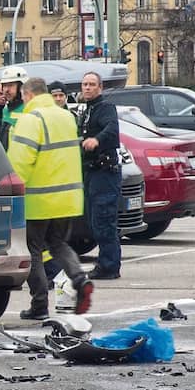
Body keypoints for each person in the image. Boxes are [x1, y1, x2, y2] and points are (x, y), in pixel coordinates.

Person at [6, 76, 94, 320]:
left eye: (23, 97)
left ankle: (39, 305)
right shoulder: (66, 116)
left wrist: (11, 190)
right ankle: (79, 278)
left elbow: (20, 162)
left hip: (38, 199)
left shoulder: (30, 120)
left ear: (29, 95)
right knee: (58, 244)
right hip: (68, 197)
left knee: (32, 249)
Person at [78, 72, 122, 280]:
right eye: (85, 84)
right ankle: (105, 263)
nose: (87, 88)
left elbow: (112, 130)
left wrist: (96, 140)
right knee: (95, 221)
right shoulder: (87, 110)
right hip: (91, 172)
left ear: (100, 87)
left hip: (105, 172)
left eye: (92, 84)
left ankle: (109, 266)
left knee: (104, 220)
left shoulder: (105, 108)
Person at [0, 66, 28, 150]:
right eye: (4, 86)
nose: (6, 90)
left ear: (21, 87)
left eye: (11, 85)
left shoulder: (28, 109)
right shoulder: (6, 109)